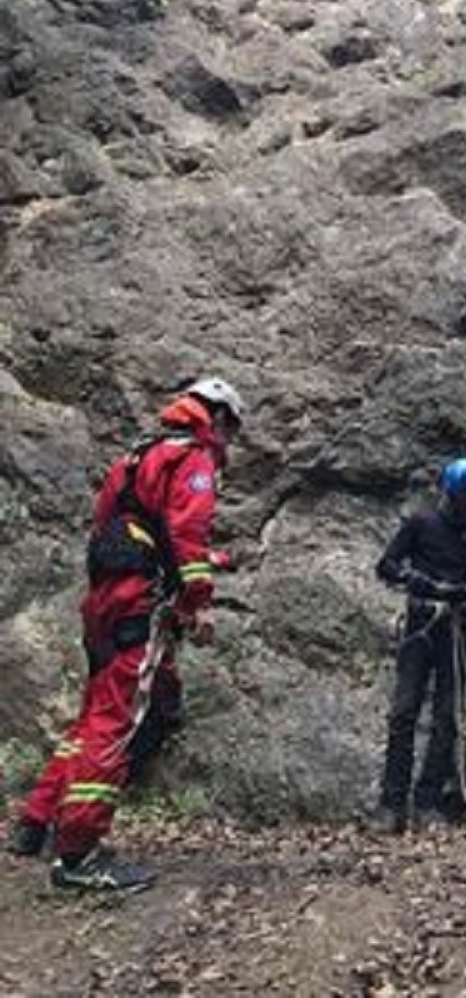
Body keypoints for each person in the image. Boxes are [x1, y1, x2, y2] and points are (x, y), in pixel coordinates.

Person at [7, 376, 244, 891]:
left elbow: (134, 531)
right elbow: (185, 532)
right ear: (219, 418)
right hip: (139, 604)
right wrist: (198, 604)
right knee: (115, 725)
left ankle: (36, 822)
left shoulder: (139, 457)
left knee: (94, 716)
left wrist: (214, 560)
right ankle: (78, 855)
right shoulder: (194, 459)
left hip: (106, 601)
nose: (230, 442)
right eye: (231, 429)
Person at [372, 457, 466, 833]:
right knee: (404, 712)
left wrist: (464, 593)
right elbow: (387, 565)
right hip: (422, 623)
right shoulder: (421, 524)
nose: (459, 502)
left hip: (455, 628)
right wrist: (416, 581)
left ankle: (426, 802)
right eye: (457, 496)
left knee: (446, 718)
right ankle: (392, 805)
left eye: (464, 497)